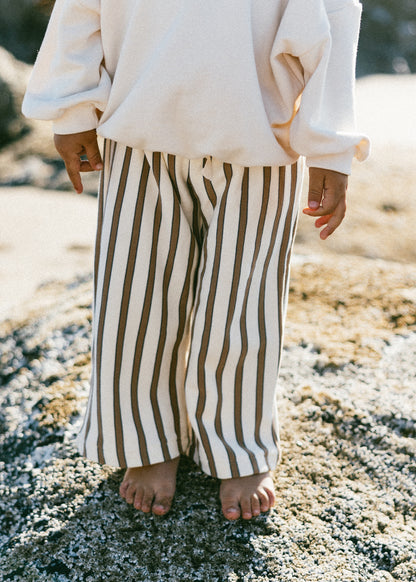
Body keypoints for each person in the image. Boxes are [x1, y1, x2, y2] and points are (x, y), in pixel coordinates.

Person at [22, 0, 369, 521]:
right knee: (135, 300)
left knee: (241, 307)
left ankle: (238, 441)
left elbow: (331, 17)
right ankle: (144, 439)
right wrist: (71, 106)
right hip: (139, 129)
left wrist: (329, 149)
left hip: (260, 138)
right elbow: (82, 6)